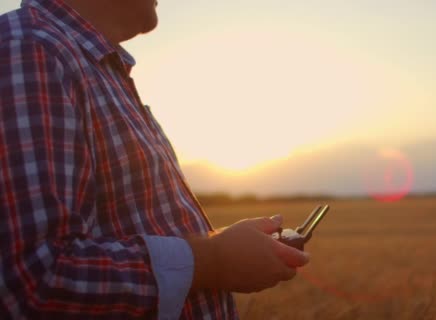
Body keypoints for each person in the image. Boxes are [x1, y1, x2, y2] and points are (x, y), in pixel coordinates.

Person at [0, 0, 310, 319]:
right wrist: (213, 260)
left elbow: (125, 227)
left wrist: (220, 245)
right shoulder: (30, 50)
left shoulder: (91, 63)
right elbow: (35, 281)